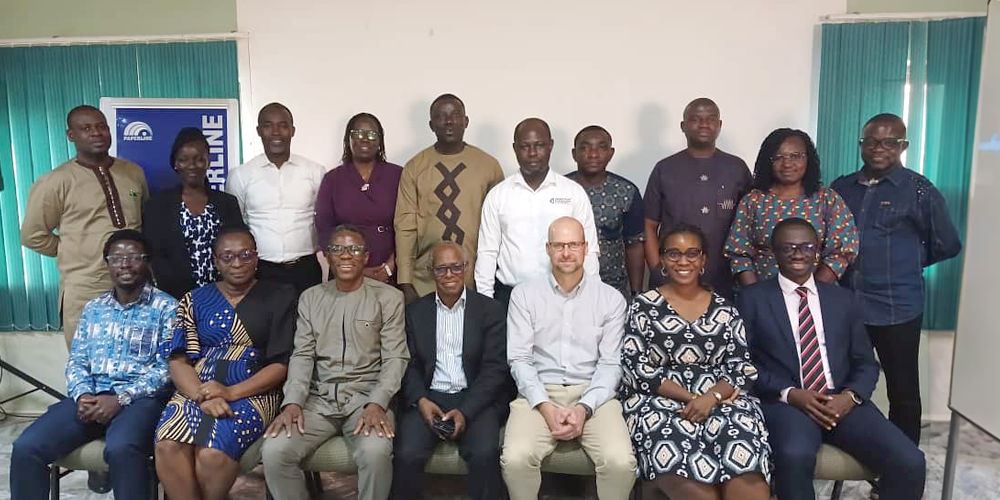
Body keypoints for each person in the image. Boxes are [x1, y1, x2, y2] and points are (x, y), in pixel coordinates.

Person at [739, 218, 926, 500]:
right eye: (788, 247)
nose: (798, 254)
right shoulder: (751, 299)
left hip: (842, 402)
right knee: (794, 455)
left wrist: (850, 397)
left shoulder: (843, 300)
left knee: (911, 461)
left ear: (817, 251)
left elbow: (866, 362)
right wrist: (791, 394)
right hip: (787, 404)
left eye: (806, 247)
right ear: (774, 252)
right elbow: (743, 364)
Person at [11, 230, 175, 499]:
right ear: (107, 264)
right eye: (117, 258)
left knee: (122, 448)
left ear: (147, 262)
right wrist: (83, 394)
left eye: (134, 257)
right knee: (27, 447)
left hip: (140, 400)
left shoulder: (167, 308)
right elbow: (78, 360)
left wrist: (120, 398)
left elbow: (167, 368)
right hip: (90, 398)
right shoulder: (94, 308)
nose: (125, 264)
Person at [831, 113, 962, 446]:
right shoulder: (842, 188)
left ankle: (903, 465)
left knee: (902, 392)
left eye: (889, 142)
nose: (879, 148)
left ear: (903, 146)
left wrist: (906, 262)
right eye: (871, 141)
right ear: (861, 144)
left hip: (897, 308)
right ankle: (850, 454)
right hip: (847, 306)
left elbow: (948, 243)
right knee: (842, 384)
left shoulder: (920, 191)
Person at [620, 222, 770, 500]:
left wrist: (711, 398)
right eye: (673, 254)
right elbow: (635, 368)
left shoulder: (725, 308)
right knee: (700, 492)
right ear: (662, 260)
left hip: (721, 400)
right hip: (659, 402)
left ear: (703, 260)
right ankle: (655, 484)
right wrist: (693, 399)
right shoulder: (643, 306)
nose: (683, 261)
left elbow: (742, 368)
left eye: (692, 253)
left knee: (747, 477)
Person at [262, 224, 408, 500]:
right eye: (337, 249)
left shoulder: (388, 298)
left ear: (366, 256)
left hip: (366, 399)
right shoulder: (310, 298)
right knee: (274, 451)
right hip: (319, 400)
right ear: (327, 256)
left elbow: (395, 357)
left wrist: (378, 402)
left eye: (354, 249)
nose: (346, 255)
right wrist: (293, 402)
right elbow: (302, 355)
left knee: (375, 452)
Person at [153, 226, 297, 500]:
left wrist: (230, 392)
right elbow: (178, 360)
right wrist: (202, 396)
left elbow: (282, 363)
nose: (237, 263)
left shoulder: (280, 296)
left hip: (254, 392)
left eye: (245, 255)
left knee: (212, 453)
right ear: (216, 261)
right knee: (167, 445)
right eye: (227, 257)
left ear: (256, 257)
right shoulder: (194, 299)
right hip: (195, 390)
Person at [501, 216, 636, 500]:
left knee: (620, 463)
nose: (566, 252)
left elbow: (610, 364)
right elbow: (520, 359)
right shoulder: (524, 295)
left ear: (586, 248)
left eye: (573, 244)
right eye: (559, 245)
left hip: (594, 394)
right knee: (515, 459)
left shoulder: (611, 299)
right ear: (547, 249)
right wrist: (545, 406)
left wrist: (584, 408)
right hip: (538, 391)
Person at [20, 105, 149, 345]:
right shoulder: (56, 181)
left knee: (138, 355)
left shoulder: (133, 172)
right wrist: (74, 251)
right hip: (86, 288)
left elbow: (143, 220)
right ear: (71, 135)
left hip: (135, 283)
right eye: (86, 128)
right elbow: (32, 235)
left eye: (101, 127)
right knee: (89, 358)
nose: (96, 133)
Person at [393, 241, 509, 500]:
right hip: (429, 397)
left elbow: (494, 369)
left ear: (466, 268)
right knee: (406, 454)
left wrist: (466, 411)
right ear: (431, 271)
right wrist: (421, 401)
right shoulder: (415, 312)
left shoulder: (490, 310)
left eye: (456, 267)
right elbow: (408, 364)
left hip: (475, 398)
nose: (449, 275)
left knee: (484, 454)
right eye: (442, 268)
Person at [475, 118, 600, 309]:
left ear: (550, 146)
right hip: (509, 297)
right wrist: (485, 302)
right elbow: (487, 252)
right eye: (525, 146)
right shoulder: (498, 195)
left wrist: (591, 297)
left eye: (539, 145)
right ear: (515, 148)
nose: (532, 153)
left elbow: (588, 250)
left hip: (564, 296)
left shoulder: (573, 193)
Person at [395, 94, 505, 303]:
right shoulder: (415, 167)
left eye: (455, 115)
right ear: (431, 125)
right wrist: (405, 281)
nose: (448, 121)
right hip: (425, 280)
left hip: (475, 278)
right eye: (440, 116)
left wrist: (490, 279)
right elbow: (405, 227)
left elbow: (500, 226)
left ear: (466, 121)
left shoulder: (489, 166)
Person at [643, 98, 751, 299]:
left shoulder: (737, 168)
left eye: (710, 119)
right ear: (683, 126)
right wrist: (657, 269)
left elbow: (749, 225)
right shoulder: (665, 168)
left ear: (719, 125)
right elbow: (649, 225)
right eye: (695, 119)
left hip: (726, 279)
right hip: (673, 277)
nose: (703, 124)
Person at [725, 128, 859, 286]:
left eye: (795, 156)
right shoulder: (753, 200)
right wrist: (756, 294)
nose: (787, 163)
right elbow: (739, 253)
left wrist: (810, 294)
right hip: (762, 291)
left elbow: (841, 251)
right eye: (778, 157)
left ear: (808, 159)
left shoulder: (827, 199)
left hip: (817, 293)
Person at [226, 102, 329, 294]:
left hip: (305, 269)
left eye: (283, 126)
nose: (276, 132)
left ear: (292, 131)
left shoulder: (315, 171)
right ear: (258, 131)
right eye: (268, 126)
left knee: (309, 314)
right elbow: (235, 225)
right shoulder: (240, 175)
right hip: (261, 270)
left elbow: (324, 218)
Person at [144, 127, 247, 299]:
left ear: (208, 162)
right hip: (174, 297)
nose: (192, 165)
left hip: (223, 296)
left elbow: (238, 248)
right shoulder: (158, 205)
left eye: (199, 159)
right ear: (175, 163)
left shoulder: (227, 203)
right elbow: (154, 255)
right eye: (184, 160)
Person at [316, 113, 402, 284]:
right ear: (348, 139)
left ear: (380, 140)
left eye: (372, 134)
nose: (365, 139)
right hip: (345, 271)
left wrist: (390, 266)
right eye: (358, 133)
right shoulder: (332, 179)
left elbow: (409, 226)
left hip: (390, 271)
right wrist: (353, 269)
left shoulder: (398, 175)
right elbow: (324, 228)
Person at [566, 125, 645, 296]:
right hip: (565, 285)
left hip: (613, 286)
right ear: (574, 154)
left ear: (611, 153)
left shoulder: (626, 191)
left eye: (601, 147)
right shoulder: (559, 190)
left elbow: (635, 245)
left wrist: (636, 293)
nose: (593, 154)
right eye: (585, 148)